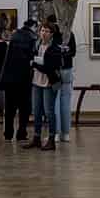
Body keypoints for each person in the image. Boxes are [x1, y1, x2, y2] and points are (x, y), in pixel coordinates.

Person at [24, 20, 67, 150]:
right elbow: (29, 58)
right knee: (36, 111)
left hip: (49, 83)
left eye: (47, 31)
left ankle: (51, 139)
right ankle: (36, 138)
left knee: (49, 112)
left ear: (52, 34)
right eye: (42, 30)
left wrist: (34, 64)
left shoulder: (54, 49)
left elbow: (49, 68)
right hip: (36, 82)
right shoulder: (36, 45)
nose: (44, 33)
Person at [0, 20, 38, 142]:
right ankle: (21, 133)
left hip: (9, 77)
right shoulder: (33, 37)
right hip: (24, 77)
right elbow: (33, 57)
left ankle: (8, 133)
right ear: (34, 27)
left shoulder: (14, 35)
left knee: (10, 107)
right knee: (24, 107)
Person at [53, 24, 78, 145]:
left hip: (55, 70)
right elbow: (73, 52)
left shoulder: (53, 34)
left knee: (55, 102)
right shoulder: (70, 34)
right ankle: (66, 134)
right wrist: (65, 51)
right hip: (68, 69)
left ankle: (56, 133)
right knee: (66, 102)